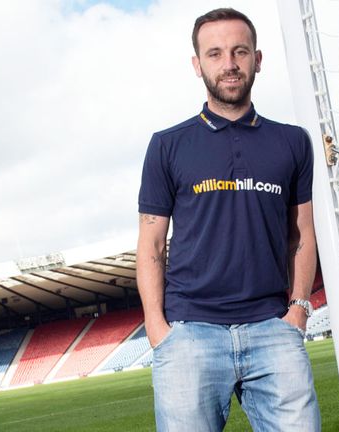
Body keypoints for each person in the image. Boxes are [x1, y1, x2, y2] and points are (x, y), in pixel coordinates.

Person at [136, 7, 321, 432]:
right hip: (189, 333)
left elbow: (303, 235)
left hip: (273, 329)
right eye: (215, 54)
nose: (230, 64)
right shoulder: (167, 146)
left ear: (258, 59)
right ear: (197, 65)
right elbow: (150, 245)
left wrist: (297, 312)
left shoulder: (293, 141)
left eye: (240, 51)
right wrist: (157, 329)